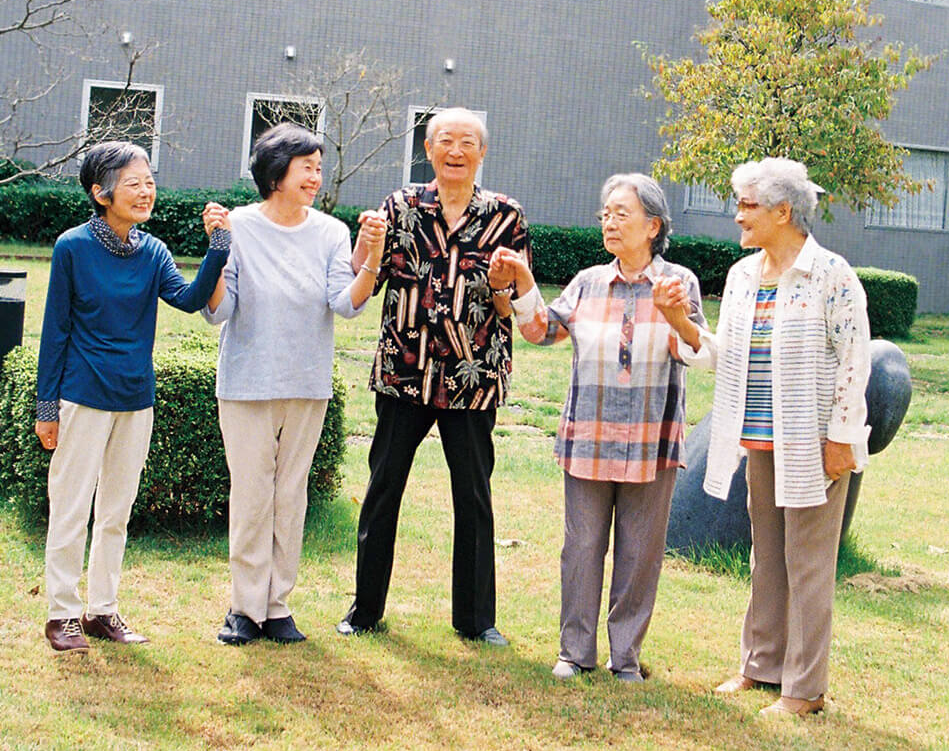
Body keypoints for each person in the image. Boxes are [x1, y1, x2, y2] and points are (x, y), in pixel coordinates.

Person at [656, 157, 871, 717]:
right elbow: (722, 355)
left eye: (747, 205)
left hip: (813, 444)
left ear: (783, 211)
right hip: (757, 438)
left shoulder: (831, 273)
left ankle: (805, 688)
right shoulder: (742, 276)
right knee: (767, 557)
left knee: (808, 562)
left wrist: (842, 436)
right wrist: (681, 324)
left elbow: (854, 358)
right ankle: (761, 665)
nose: (737, 216)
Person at [487, 175, 706, 681]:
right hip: (588, 435)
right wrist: (521, 281)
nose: (609, 222)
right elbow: (542, 329)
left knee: (640, 552)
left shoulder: (678, 282)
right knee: (582, 547)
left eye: (622, 213)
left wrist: (676, 316)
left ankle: (624, 656)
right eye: (605, 213)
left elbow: (692, 351)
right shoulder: (588, 281)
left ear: (653, 225)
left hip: (652, 440)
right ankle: (574, 652)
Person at [336, 107, 530, 646]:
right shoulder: (400, 206)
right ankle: (365, 610)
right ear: (428, 149)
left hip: (473, 379)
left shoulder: (506, 216)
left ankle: (476, 620)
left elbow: (512, 306)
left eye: (468, 142)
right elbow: (361, 278)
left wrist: (498, 286)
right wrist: (367, 240)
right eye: (446, 140)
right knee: (382, 490)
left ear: (482, 153)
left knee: (473, 497)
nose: (456, 150)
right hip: (404, 371)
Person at [35, 141, 231, 653]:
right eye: (133, 182)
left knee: (117, 511)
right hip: (81, 396)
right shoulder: (72, 247)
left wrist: (217, 249)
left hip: (135, 398)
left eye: (149, 181)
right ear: (101, 192)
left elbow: (189, 301)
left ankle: (102, 610)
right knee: (72, 508)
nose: (146, 191)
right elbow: (55, 332)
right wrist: (46, 408)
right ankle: (62, 614)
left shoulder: (153, 251)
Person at [202, 123, 386, 646]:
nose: (316, 176)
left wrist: (370, 254)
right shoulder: (236, 226)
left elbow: (346, 304)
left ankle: (277, 605)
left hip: (306, 383)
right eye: (307, 166)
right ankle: (244, 607)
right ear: (277, 171)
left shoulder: (330, 231)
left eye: (319, 168)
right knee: (252, 494)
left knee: (290, 495)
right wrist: (216, 251)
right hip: (246, 383)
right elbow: (219, 311)